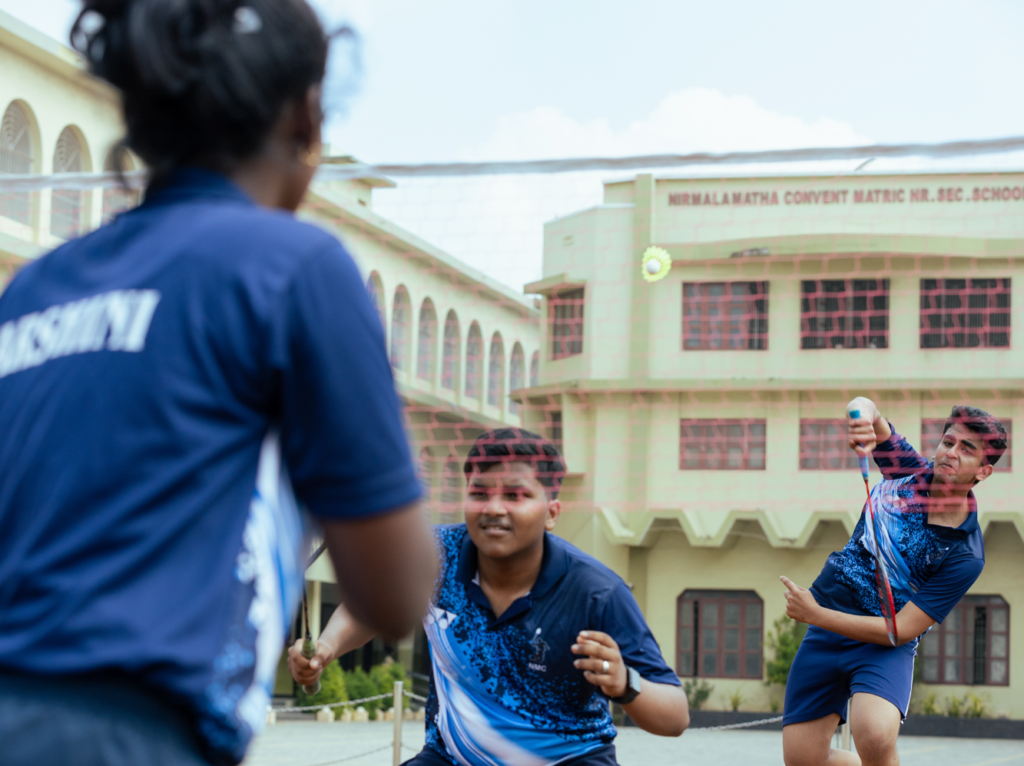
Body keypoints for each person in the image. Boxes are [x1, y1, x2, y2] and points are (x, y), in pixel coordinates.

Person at [0, 1, 437, 764]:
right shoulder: (294, 267)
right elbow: (395, 593)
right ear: (306, 115)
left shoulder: (36, 288)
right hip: (130, 734)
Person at [290, 427, 690, 766]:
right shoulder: (433, 556)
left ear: (552, 512)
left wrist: (625, 683)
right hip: (452, 757)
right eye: (480, 493)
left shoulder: (596, 592)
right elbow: (371, 607)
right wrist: (325, 646)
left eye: (515, 496)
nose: (493, 508)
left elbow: (675, 716)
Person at [780, 398, 1006, 766]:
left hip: (881, 645)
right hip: (826, 632)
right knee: (803, 760)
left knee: (873, 732)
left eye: (967, 450)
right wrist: (860, 417)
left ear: (983, 472)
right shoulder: (907, 471)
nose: (951, 452)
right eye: (948, 442)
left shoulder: (966, 554)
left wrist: (815, 614)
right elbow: (867, 408)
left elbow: (900, 630)